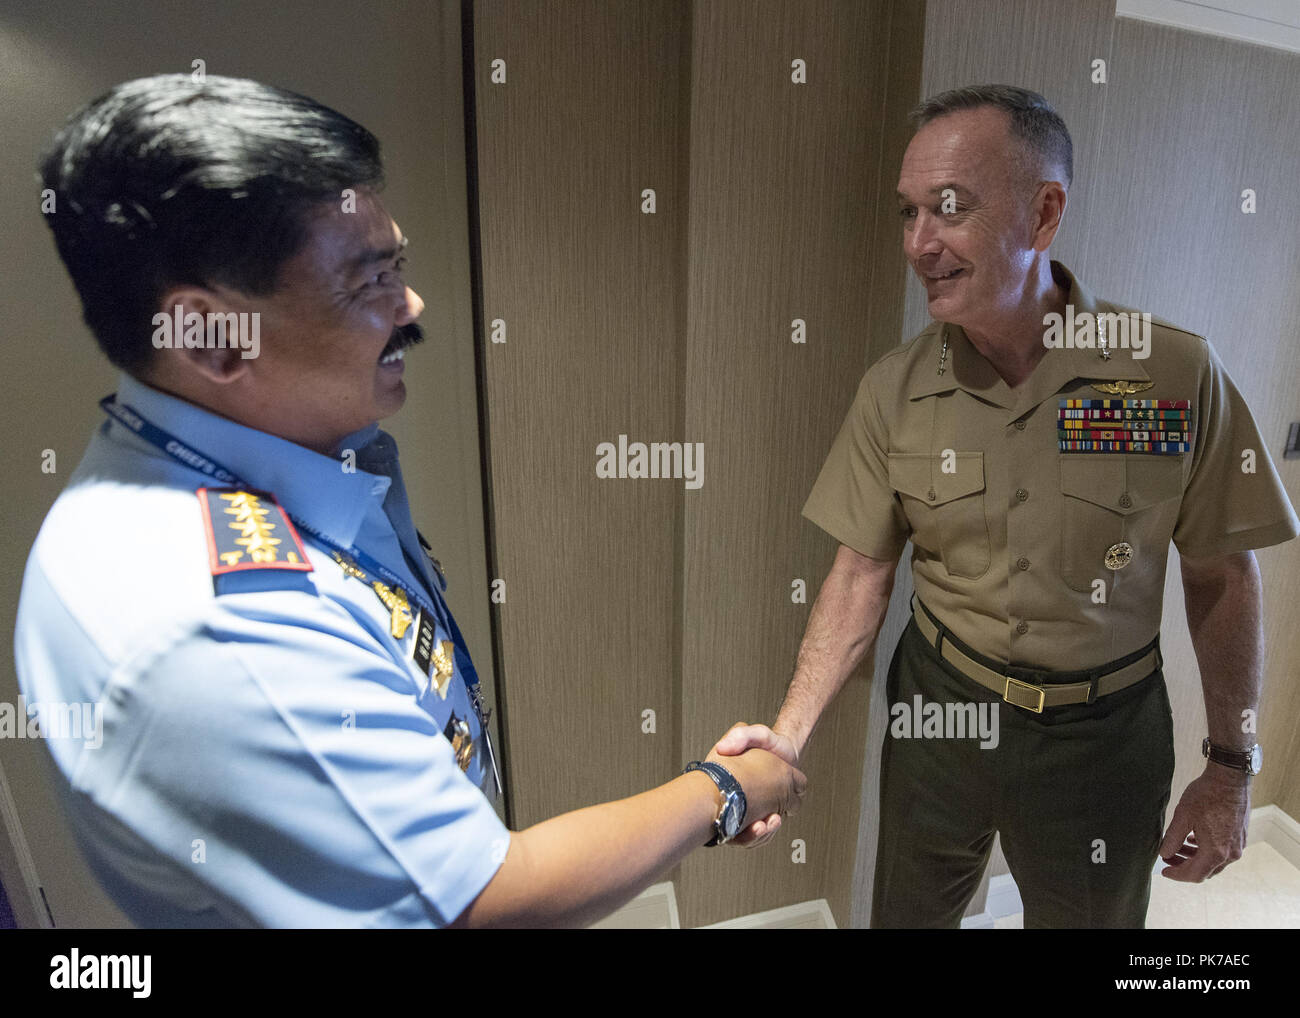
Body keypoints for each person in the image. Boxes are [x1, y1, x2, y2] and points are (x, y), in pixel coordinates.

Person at [14, 74, 803, 929]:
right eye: (368, 282)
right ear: (211, 335)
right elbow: (480, 901)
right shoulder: (217, 627)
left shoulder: (292, 456)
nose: (411, 305)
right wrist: (721, 789)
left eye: (401, 264)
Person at [716, 84, 1298, 927]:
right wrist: (788, 735)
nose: (920, 243)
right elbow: (859, 574)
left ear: (1044, 213)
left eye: (948, 209)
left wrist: (1233, 770)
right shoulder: (896, 390)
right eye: (908, 212)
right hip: (939, 711)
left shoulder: (1168, 376)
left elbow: (1223, 577)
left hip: (1103, 738)